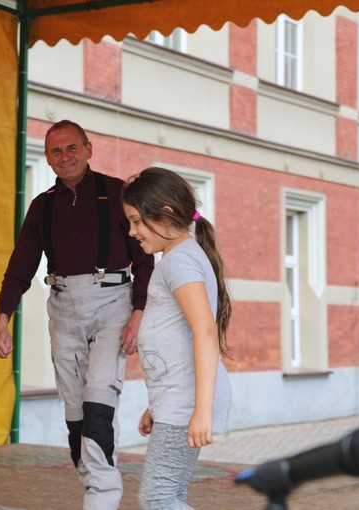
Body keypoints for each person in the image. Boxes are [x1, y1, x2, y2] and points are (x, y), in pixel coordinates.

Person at [0, 119, 154, 509]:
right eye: (55, 151)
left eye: (71, 148)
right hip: (62, 307)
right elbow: (20, 267)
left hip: (113, 302)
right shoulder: (42, 205)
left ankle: (102, 496)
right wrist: (2, 318)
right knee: (76, 412)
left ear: (88, 149)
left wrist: (139, 312)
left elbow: (146, 260)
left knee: (100, 402)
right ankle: (94, 484)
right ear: (47, 158)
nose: (65, 157)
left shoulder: (118, 194)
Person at [121, 166, 233, 510]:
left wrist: (199, 411)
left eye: (137, 221)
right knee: (170, 496)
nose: (132, 231)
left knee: (158, 498)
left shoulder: (179, 262)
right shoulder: (177, 257)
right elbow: (177, 340)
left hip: (186, 403)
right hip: (177, 401)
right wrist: (157, 406)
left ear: (166, 213)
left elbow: (204, 331)